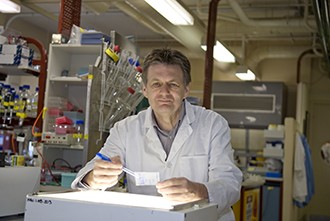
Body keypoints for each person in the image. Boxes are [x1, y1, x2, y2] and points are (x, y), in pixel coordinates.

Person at [71, 48, 242, 220]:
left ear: (186, 90)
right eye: (156, 84)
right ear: (145, 90)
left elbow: (230, 184)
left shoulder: (212, 124)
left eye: (173, 84)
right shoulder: (125, 130)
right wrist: (95, 177)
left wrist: (199, 191)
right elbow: (84, 179)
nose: (164, 92)